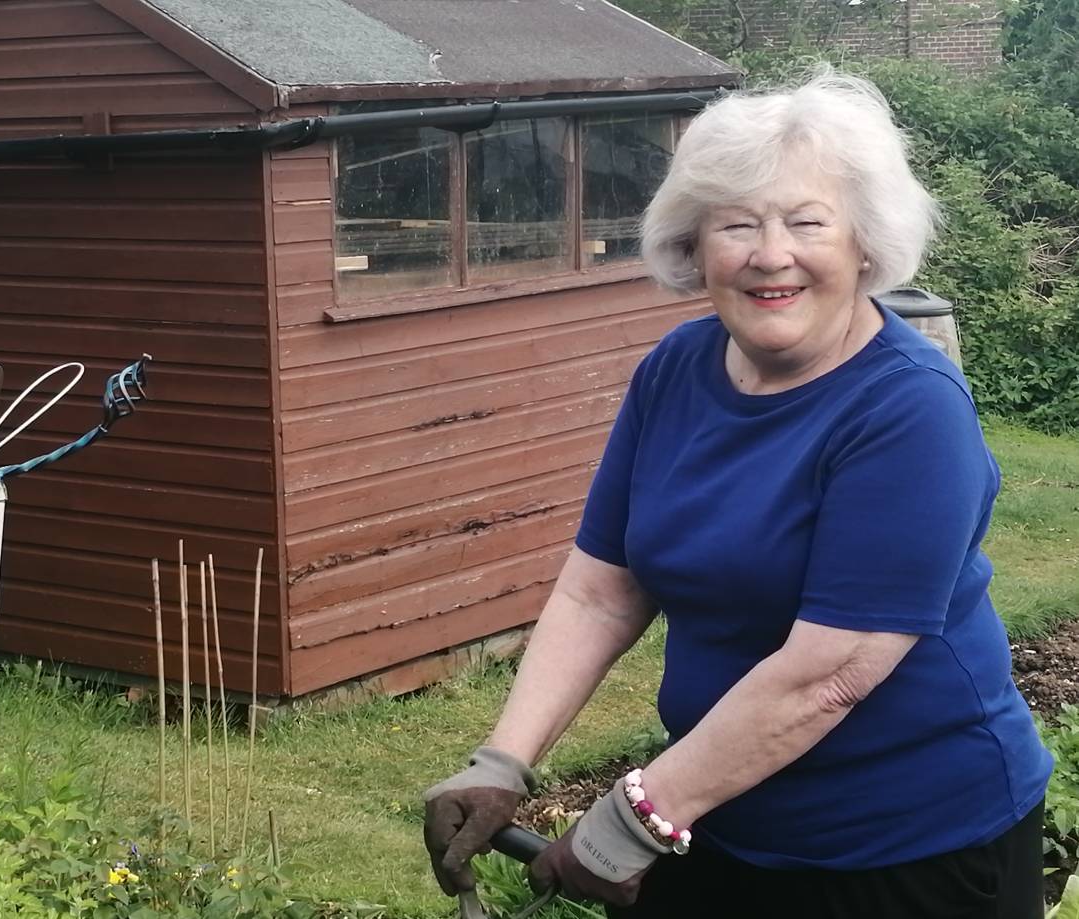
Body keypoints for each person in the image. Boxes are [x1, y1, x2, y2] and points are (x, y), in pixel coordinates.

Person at [422, 68, 1053, 919]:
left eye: (805, 221)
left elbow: (826, 677)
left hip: (910, 850)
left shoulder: (908, 409)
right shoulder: (675, 369)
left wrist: (635, 818)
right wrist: (502, 758)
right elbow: (601, 588)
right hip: (725, 810)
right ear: (695, 246)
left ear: (864, 242)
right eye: (735, 224)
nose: (768, 253)